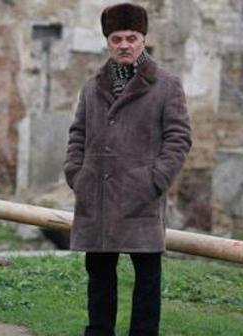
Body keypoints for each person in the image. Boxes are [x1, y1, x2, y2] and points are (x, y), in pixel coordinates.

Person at [63, 3, 192, 336]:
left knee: (147, 279)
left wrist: (156, 180)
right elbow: (78, 132)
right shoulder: (92, 87)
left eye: (131, 38)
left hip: (142, 199)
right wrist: (76, 174)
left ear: (143, 39)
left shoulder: (166, 85)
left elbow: (179, 138)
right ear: (107, 41)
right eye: (117, 38)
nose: (124, 45)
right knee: (100, 276)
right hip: (97, 196)